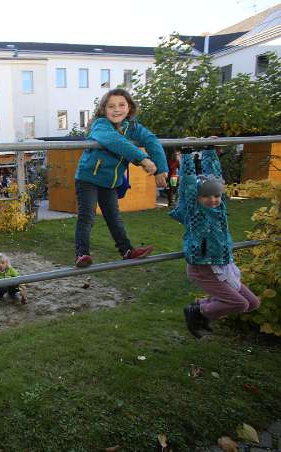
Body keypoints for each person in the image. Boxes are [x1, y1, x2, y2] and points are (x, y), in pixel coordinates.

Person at [170, 147, 260, 339]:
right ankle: (197, 312)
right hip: (202, 268)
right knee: (240, 304)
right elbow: (186, 182)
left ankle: (202, 311)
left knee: (252, 303)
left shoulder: (220, 208)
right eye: (206, 196)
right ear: (197, 197)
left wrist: (210, 152)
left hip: (223, 265)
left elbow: (216, 176)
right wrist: (186, 156)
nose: (212, 200)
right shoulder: (195, 210)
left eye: (216, 196)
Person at [73, 88, 168, 268]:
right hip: (88, 178)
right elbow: (114, 141)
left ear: (129, 108)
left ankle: (127, 251)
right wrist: (143, 159)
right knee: (87, 216)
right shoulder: (100, 125)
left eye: (121, 105)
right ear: (103, 109)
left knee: (114, 217)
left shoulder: (132, 127)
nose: (117, 109)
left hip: (110, 182)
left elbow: (151, 140)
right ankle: (82, 253)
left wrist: (161, 169)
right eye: (111, 106)